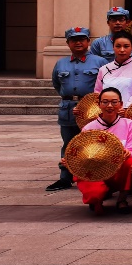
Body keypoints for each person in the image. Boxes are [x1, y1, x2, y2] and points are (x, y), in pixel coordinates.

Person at [48, 27, 108, 192]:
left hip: (93, 110)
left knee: (94, 143)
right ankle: (65, 177)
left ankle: (96, 175)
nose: (78, 42)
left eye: (82, 39)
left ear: (88, 41)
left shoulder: (100, 62)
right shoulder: (61, 63)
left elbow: (107, 85)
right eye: (74, 40)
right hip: (68, 108)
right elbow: (57, 84)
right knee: (69, 143)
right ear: (68, 43)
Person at [67, 88, 132, 215]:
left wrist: (128, 152)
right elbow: (81, 154)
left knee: (130, 162)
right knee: (95, 195)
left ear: (121, 104)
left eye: (114, 102)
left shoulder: (130, 124)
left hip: (118, 167)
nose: (109, 106)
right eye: (105, 102)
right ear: (99, 104)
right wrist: (70, 161)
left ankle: (122, 200)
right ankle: (98, 198)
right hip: (95, 169)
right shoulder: (89, 128)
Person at [94, 31, 132, 107]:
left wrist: (126, 108)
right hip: (107, 110)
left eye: (126, 46)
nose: (122, 50)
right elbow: (97, 93)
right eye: (118, 46)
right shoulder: (103, 69)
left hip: (130, 111)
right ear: (113, 47)